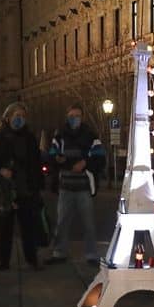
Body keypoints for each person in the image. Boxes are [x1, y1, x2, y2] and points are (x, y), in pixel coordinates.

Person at [0, 102, 45, 270]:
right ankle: (4, 261)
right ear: (7, 118)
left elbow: (36, 163)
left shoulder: (29, 137)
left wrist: (37, 187)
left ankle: (31, 259)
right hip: (6, 189)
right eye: (17, 116)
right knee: (5, 227)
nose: (20, 119)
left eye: (22, 116)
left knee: (28, 226)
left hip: (25, 188)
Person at [46, 103, 105, 266]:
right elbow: (51, 155)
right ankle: (59, 252)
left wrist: (85, 163)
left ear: (82, 117)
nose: (74, 119)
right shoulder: (60, 136)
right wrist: (59, 161)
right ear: (67, 117)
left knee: (89, 223)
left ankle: (91, 254)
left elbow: (100, 158)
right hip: (65, 186)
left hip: (84, 187)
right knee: (62, 222)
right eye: (71, 116)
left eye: (77, 116)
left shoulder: (90, 136)